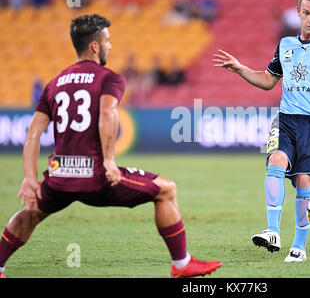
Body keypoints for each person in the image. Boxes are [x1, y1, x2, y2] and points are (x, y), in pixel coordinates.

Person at [0, 14, 221, 278]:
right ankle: (182, 264)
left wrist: (29, 178)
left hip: (60, 176)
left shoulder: (55, 83)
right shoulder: (109, 78)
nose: (110, 46)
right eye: (107, 40)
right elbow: (107, 115)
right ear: (95, 46)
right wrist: (108, 160)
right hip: (96, 176)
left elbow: (33, 132)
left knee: (31, 212)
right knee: (166, 190)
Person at [213, 0, 310, 262]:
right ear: (297, 12)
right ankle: (272, 231)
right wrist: (240, 68)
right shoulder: (285, 45)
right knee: (276, 159)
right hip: (286, 119)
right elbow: (268, 80)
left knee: (304, 180)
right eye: (306, 13)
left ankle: (299, 247)